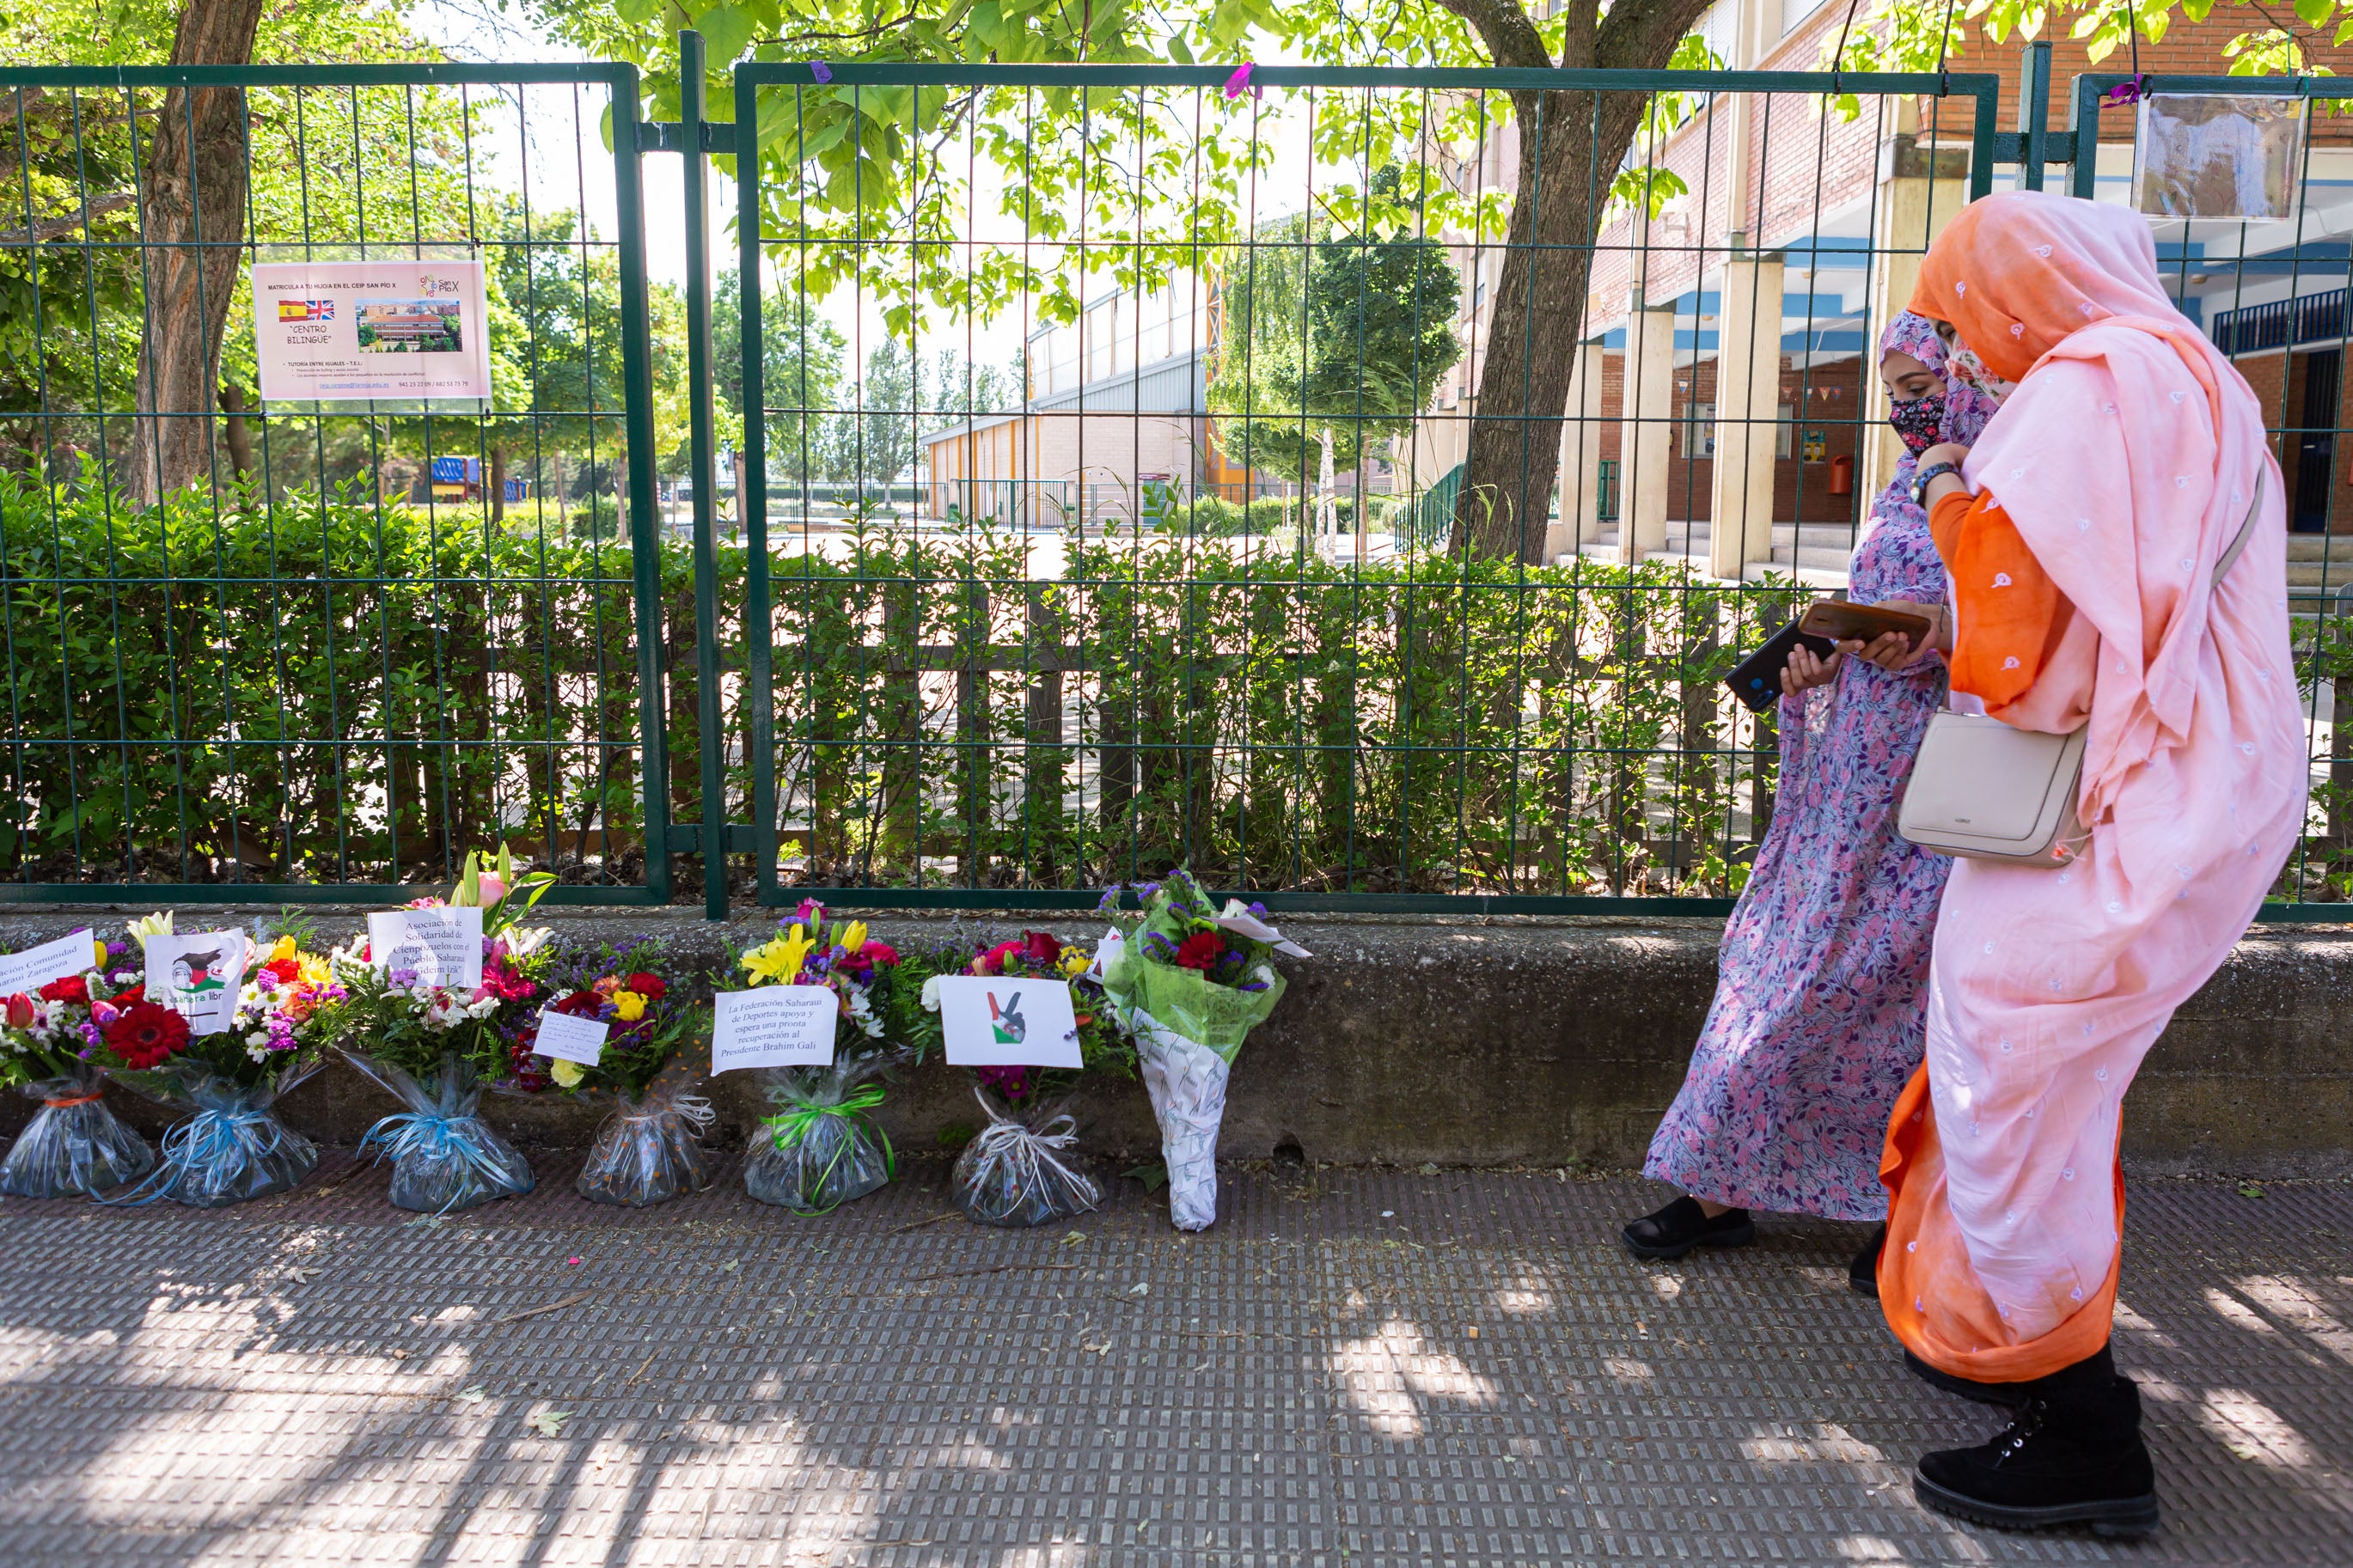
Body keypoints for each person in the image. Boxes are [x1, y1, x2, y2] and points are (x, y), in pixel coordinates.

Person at [1866, 191, 2304, 1536]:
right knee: (2052, 1081)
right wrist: (1951, 631)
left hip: (2130, 806)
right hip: (2208, 790)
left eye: (1970, 310)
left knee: (2006, 1071)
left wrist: (1940, 463)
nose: (1975, 344)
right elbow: (2095, 614)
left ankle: (2080, 1425)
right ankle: (2020, 1344)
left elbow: (2019, 622)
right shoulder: (2201, 384)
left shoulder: (2087, 385)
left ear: (2021, 295)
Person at [1623, 314, 2003, 1281]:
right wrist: (1818, 663)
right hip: (1847, 797)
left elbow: (2030, 631)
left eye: (1922, 384)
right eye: (1894, 390)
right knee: (1774, 966)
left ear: (1970, 374)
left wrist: (1934, 636)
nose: (1904, 407)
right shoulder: (1905, 485)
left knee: (1888, 993)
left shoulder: (2012, 487)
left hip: (1939, 794)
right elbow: (1877, 615)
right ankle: (1720, 1185)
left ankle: (1895, 1199)